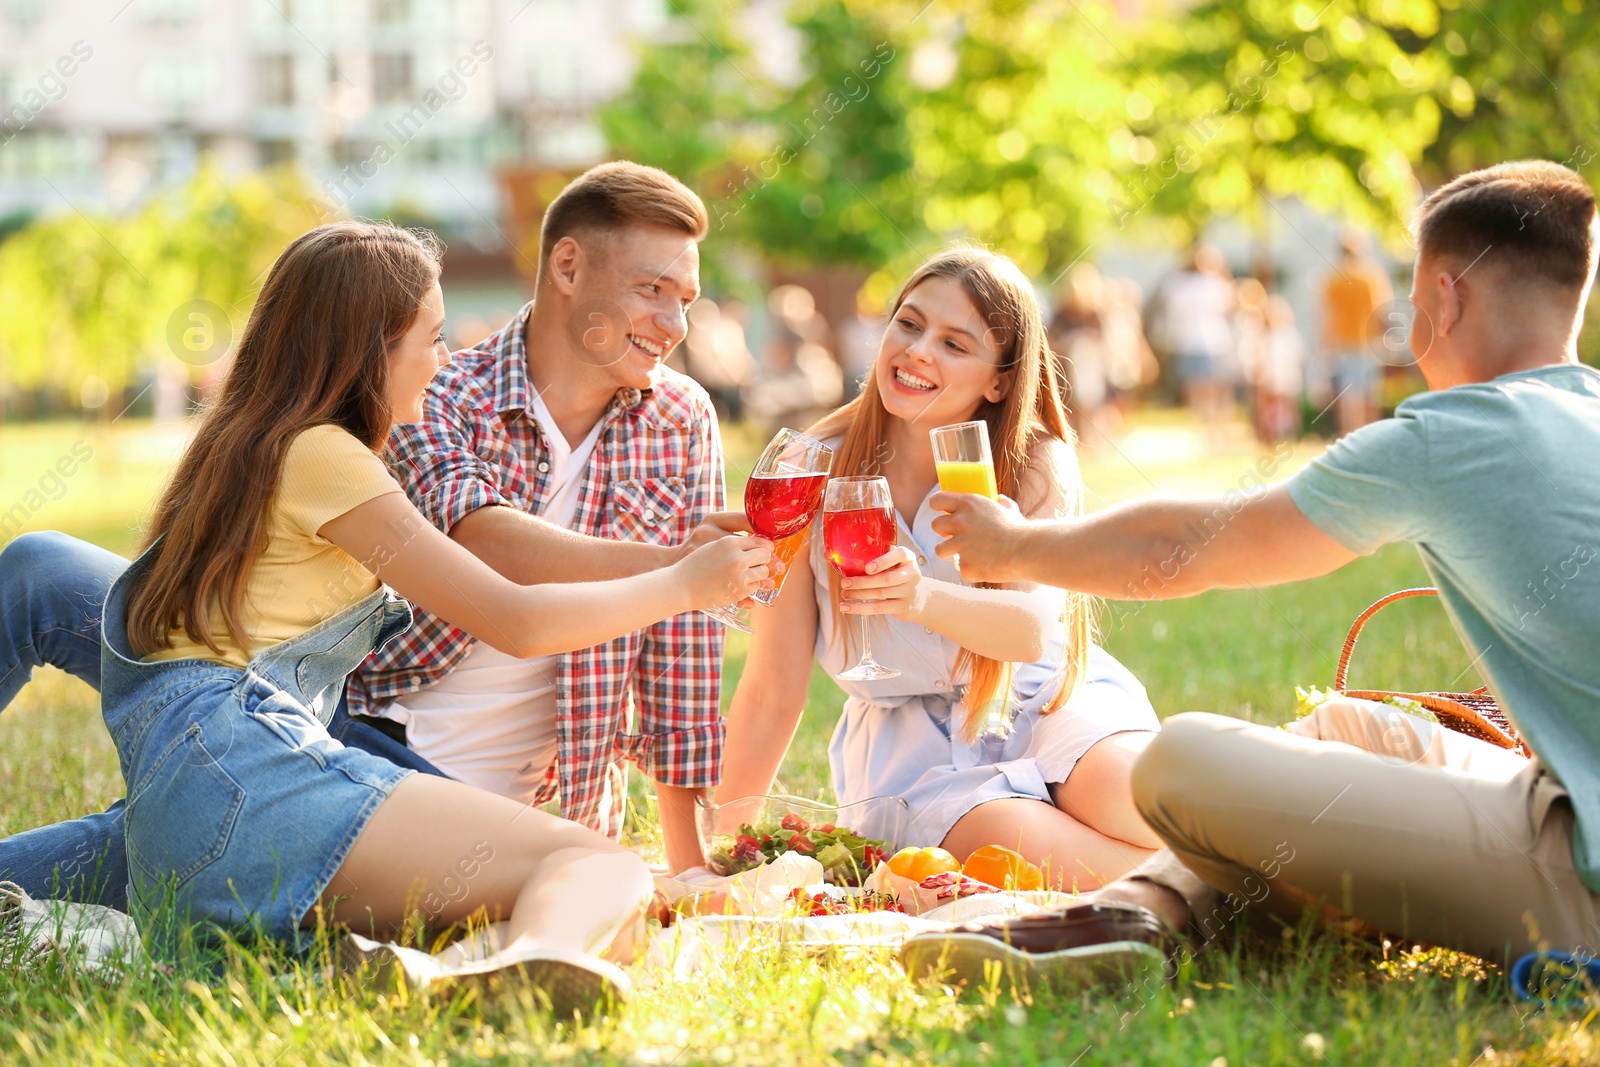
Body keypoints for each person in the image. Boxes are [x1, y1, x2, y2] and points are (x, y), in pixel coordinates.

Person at [24, 220, 771, 1009]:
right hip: (255, 775)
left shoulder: (250, 447)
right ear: (370, 349)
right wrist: (685, 583)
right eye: (432, 337)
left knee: (586, 912)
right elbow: (513, 617)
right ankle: (512, 976)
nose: (444, 360)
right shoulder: (326, 458)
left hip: (176, 814)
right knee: (598, 867)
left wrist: (679, 563)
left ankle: (458, 966)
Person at [912, 161, 1600, 984]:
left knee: (1182, 761)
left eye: (1410, 304)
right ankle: (1138, 919)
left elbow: (1194, 544)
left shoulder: (1454, 433)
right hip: (1561, 804)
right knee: (1354, 726)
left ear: (1446, 300)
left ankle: (1136, 924)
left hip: (1584, 873)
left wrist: (1014, 546)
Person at [717, 248, 1162, 891]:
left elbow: (1029, 634)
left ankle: (1244, 884)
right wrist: (723, 854)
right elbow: (770, 689)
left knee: (1143, 805)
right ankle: (1229, 898)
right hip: (916, 756)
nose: (919, 350)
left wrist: (918, 596)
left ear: (1000, 380)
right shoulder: (812, 468)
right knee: (1044, 855)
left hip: (1047, 702)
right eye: (908, 324)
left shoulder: (1031, 463)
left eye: (955, 343)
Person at [1320, 229, 1394, 436]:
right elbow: (1382, 311)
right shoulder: (1371, 276)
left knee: (1348, 393)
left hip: (1344, 343)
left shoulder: (1333, 279)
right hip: (1368, 343)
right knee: (1370, 392)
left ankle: (1349, 433)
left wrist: (1326, 348)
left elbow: (1327, 317)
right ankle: (1370, 435)